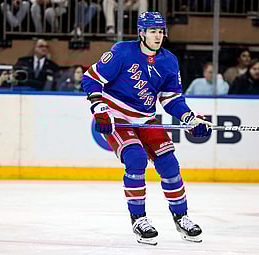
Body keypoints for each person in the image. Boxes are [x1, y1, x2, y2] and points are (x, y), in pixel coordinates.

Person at [81, 12, 212, 245]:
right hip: (118, 118)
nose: (158, 36)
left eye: (161, 31)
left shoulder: (169, 61)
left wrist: (190, 119)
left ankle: (181, 217)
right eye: (152, 31)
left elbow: (171, 100)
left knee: (169, 163)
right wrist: (99, 108)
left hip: (146, 119)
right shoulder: (122, 51)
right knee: (136, 158)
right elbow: (91, 79)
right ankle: (139, 219)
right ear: (141, 33)